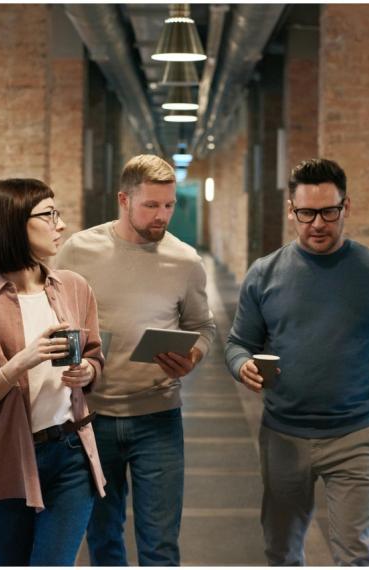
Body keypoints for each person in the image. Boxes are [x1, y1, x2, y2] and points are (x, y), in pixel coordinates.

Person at [225, 158, 369, 565]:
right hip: (282, 435)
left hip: (354, 436)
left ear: (347, 207)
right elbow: (238, 343)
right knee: (281, 550)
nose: (318, 223)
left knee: (357, 553)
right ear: (291, 210)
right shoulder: (264, 274)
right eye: (306, 213)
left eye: (329, 211)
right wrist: (242, 366)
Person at [54, 154, 216, 566]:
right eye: (151, 205)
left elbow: (203, 326)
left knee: (160, 546)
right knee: (104, 541)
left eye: (169, 205)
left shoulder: (184, 260)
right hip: (92, 417)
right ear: (123, 199)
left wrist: (194, 354)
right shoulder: (79, 251)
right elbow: (56, 317)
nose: (162, 216)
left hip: (158, 417)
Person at [0, 178, 106, 566]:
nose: (61, 224)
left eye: (58, 213)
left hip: (71, 453)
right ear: (14, 223)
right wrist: (22, 360)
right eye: (49, 214)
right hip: (7, 460)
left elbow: (95, 357)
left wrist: (87, 371)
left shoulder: (74, 287)